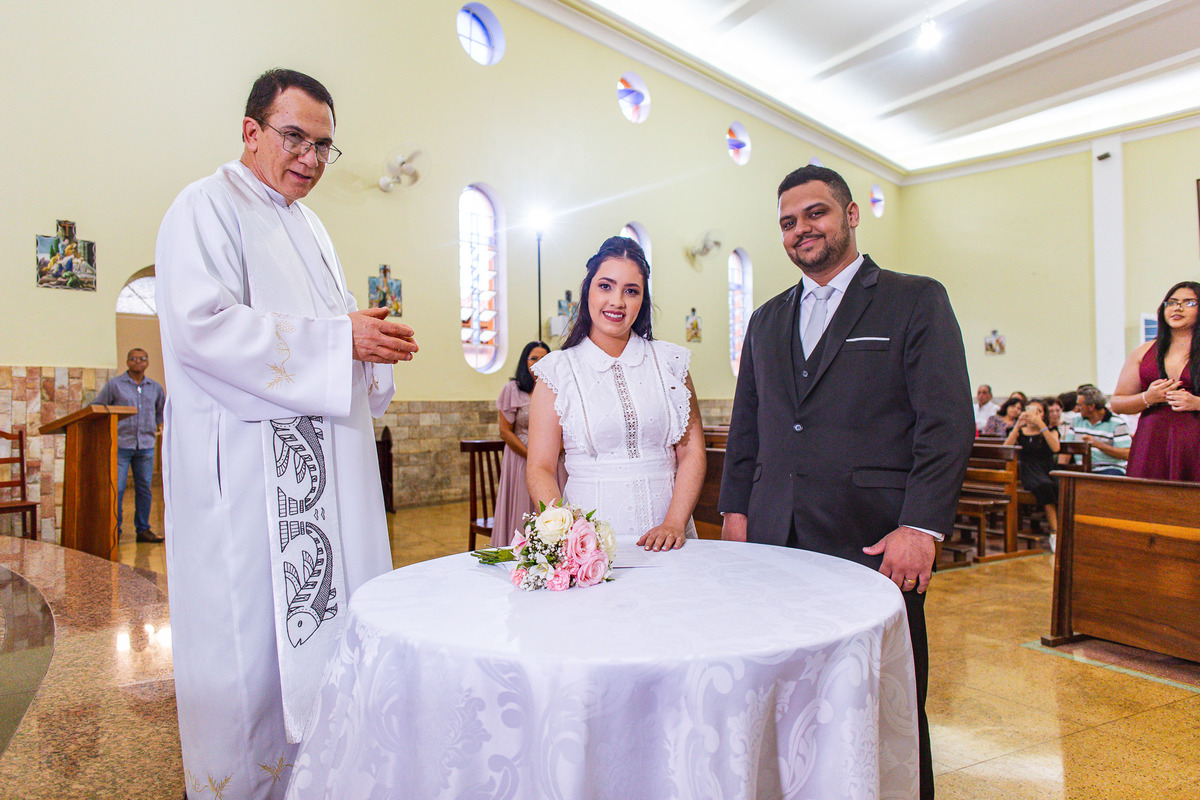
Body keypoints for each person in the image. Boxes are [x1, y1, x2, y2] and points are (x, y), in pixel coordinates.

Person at [155, 69, 418, 799]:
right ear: (251, 131)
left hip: (321, 483)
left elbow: (334, 329)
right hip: (244, 488)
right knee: (251, 655)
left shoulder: (313, 230)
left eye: (323, 146)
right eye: (295, 137)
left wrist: (367, 350)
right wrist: (340, 341)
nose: (310, 158)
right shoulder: (204, 207)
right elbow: (202, 328)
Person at [718, 165, 973, 800]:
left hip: (874, 538)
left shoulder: (914, 299)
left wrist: (920, 527)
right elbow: (748, 426)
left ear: (851, 215)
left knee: (884, 697)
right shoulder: (766, 320)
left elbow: (945, 423)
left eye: (816, 213)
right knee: (782, 690)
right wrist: (736, 513)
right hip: (776, 538)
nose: (801, 230)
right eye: (788, 222)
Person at [526, 236, 705, 552]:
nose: (617, 301)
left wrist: (675, 522)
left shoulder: (671, 363)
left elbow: (691, 452)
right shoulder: (557, 371)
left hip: (669, 534)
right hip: (590, 539)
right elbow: (540, 467)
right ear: (588, 290)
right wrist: (567, 535)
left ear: (643, 300)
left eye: (631, 291)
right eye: (605, 286)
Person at [1112, 281, 1200, 482]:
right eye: (1172, 302)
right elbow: (1117, 403)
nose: (1177, 308)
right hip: (1152, 440)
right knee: (1148, 496)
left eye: (1189, 303)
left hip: (1194, 440)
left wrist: (1197, 403)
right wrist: (1148, 397)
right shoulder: (1144, 351)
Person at [89, 348, 166, 543]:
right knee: (119, 488)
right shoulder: (115, 385)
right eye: (134, 359)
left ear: (147, 362)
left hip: (146, 445)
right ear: (127, 362)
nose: (138, 362)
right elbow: (98, 406)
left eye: (142, 359)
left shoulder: (155, 388)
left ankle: (143, 529)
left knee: (144, 489)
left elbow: (161, 413)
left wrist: (159, 429)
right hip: (121, 444)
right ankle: (115, 530)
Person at [491, 340, 550, 546]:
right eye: (534, 358)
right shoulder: (513, 389)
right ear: (525, 362)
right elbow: (505, 431)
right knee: (522, 506)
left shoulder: (555, 390)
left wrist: (553, 454)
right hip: (521, 457)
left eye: (544, 359)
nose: (539, 363)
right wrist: (531, 456)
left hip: (552, 459)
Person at [1003, 399, 1060, 547]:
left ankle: (1063, 529)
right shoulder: (1020, 432)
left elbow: (1055, 448)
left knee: (1059, 487)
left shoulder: (1050, 431)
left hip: (1048, 470)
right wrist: (1017, 426)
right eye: (1031, 411)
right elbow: (1006, 449)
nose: (1034, 415)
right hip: (1029, 470)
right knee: (1044, 486)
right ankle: (1055, 531)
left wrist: (1041, 425)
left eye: (1039, 412)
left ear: (1044, 415)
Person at [1064, 387, 1131, 475]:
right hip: (1082, 470)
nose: (1077, 408)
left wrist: (1098, 445)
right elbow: (1067, 448)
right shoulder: (1076, 420)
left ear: (1091, 406)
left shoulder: (1117, 423)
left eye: (1080, 405)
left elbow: (1127, 454)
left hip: (1110, 469)